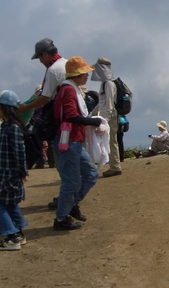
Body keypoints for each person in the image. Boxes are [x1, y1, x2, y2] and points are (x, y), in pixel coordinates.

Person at [53, 56, 103, 231]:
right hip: (68, 140)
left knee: (90, 174)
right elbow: (71, 115)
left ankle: (69, 206)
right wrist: (93, 122)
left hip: (73, 140)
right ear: (77, 74)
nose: (87, 76)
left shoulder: (71, 89)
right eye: (84, 73)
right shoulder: (68, 91)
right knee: (72, 181)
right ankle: (61, 217)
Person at [19, 38, 68, 208]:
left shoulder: (53, 70)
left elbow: (45, 97)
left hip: (60, 120)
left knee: (63, 162)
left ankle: (67, 198)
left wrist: (26, 107)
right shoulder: (67, 64)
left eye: (40, 58)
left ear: (45, 54)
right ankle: (69, 196)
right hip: (73, 118)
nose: (40, 61)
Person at [0, 91, 29, 251]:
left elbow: (20, 151)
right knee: (10, 205)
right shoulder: (6, 126)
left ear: (5, 108)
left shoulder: (13, 128)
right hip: (5, 173)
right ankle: (18, 233)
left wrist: (22, 171)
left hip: (8, 175)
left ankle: (12, 238)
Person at [91, 57, 122, 177]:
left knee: (111, 141)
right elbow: (102, 102)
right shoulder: (106, 83)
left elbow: (109, 104)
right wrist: (93, 113)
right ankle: (113, 165)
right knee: (109, 142)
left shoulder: (108, 83)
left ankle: (115, 167)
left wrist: (105, 121)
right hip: (108, 117)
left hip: (110, 117)